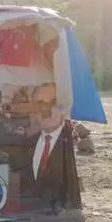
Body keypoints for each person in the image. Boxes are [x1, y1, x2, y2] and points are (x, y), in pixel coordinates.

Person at [24, 82, 80, 210]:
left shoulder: (73, 141)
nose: (46, 109)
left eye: (53, 103)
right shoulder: (27, 143)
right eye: (40, 103)